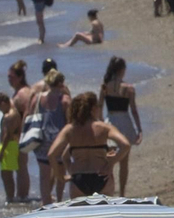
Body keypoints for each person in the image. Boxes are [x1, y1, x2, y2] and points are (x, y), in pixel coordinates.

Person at [47, 91, 133, 197]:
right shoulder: (104, 128)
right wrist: (111, 163)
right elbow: (125, 145)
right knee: (105, 213)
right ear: (93, 109)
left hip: (78, 179)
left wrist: (61, 176)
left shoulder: (70, 129)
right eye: (98, 106)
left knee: (81, 213)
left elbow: (52, 154)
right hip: (102, 176)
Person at [100, 56, 142, 193]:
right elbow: (134, 111)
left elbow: (99, 107)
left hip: (110, 121)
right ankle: (122, 192)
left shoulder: (105, 86)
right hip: (125, 122)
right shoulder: (129, 88)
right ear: (122, 70)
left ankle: (109, 191)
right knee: (124, 162)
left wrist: (101, 124)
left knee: (110, 159)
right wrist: (139, 130)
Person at [32, 67, 71, 204]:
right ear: (61, 83)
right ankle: (59, 200)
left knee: (44, 176)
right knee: (60, 172)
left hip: (42, 140)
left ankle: (46, 203)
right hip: (59, 141)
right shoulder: (65, 100)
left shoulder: (38, 98)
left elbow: (29, 116)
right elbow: (69, 121)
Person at [8, 61, 35, 200]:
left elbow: (28, 112)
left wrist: (23, 134)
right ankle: (21, 194)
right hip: (18, 135)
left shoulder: (23, 93)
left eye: (11, 77)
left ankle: (23, 195)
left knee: (21, 166)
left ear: (20, 77)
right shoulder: (20, 91)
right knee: (20, 165)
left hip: (21, 134)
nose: (9, 80)